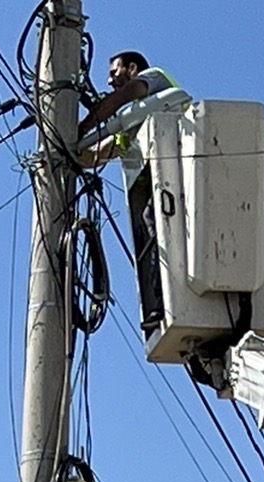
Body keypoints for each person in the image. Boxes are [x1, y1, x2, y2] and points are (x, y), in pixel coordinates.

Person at [77, 51, 190, 329]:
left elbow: (120, 99)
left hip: (184, 170)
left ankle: (169, 298)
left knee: (156, 222)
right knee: (149, 231)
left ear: (132, 68)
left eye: (114, 72)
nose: (110, 80)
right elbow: (98, 155)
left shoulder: (154, 79)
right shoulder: (132, 122)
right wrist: (64, 151)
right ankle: (160, 303)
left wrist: (83, 126)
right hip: (160, 186)